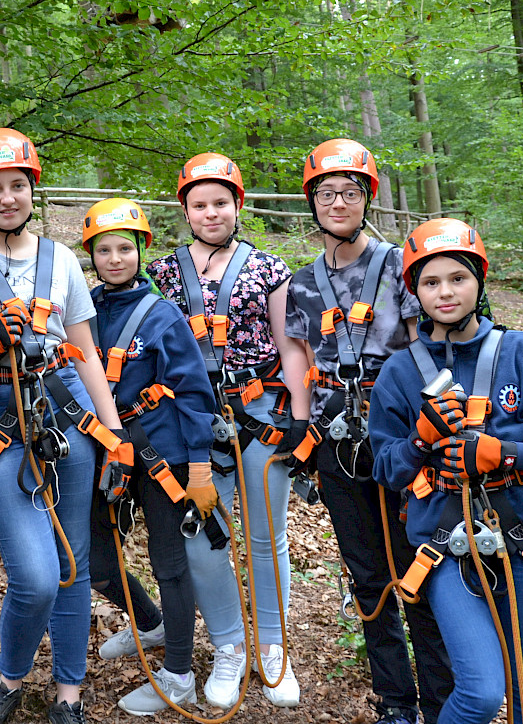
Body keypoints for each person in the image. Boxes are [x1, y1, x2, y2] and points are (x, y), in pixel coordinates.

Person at [0, 128, 125, 724]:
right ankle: (12, 679)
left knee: (73, 567)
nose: (8, 197)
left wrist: (113, 436)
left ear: (31, 189)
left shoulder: (62, 259)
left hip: (63, 411)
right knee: (36, 575)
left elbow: (86, 352)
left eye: (18, 185)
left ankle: (69, 692)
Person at [370, 218, 523, 724]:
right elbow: (385, 468)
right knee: (481, 693)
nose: (445, 292)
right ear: (415, 291)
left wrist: (508, 453)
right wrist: (420, 440)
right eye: (430, 282)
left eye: (458, 278)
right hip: (444, 545)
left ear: (479, 282)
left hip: (521, 535)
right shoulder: (400, 373)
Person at [284, 138, 453, 724]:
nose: (337, 203)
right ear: (312, 203)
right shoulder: (303, 283)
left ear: (367, 199)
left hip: (398, 438)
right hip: (336, 437)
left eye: (349, 192)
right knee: (365, 570)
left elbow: (426, 345)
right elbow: (301, 356)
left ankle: (439, 697)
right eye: (326, 193)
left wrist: (434, 422)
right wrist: (302, 427)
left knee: (417, 563)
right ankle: (395, 699)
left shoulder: (397, 265)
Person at [146, 152, 310, 709]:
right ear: (185, 211)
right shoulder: (163, 272)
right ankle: (229, 647)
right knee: (202, 537)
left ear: (237, 205)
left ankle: (272, 646)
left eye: (220, 202)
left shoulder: (267, 269)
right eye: (199, 204)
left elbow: (289, 345)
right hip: (192, 424)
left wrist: (299, 416)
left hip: (260, 414)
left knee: (267, 538)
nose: (211, 212)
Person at [80, 198, 223, 715]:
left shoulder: (162, 315)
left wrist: (201, 466)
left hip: (165, 457)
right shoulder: (85, 312)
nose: (115, 258)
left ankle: (180, 673)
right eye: (104, 250)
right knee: (95, 558)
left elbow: (193, 390)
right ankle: (150, 622)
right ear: (90, 255)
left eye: (125, 248)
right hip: (107, 451)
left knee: (169, 564)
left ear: (141, 252)